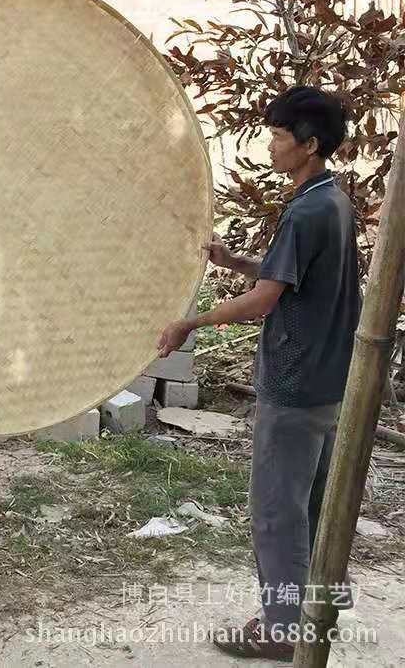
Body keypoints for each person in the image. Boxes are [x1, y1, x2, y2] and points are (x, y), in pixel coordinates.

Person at [158, 86, 360, 662]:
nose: (270, 146)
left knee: (277, 511)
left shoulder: (306, 209)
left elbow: (265, 300)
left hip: (295, 386)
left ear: (309, 144)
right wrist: (237, 262)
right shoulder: (333, 202)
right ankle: (314, 606)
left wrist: (190, 320)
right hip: (328, 381)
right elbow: (287, 277)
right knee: (313, 503)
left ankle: (281, 629)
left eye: (278, 137)